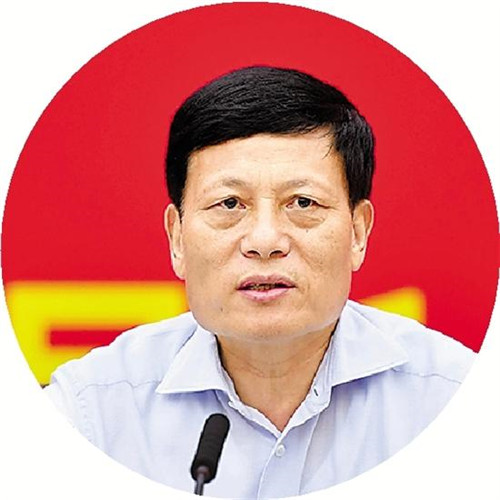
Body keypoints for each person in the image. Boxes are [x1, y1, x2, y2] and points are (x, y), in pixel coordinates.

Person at [44, 66, 474, 498]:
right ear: (177, 238)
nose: (265, 241)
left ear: (358, 233)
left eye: (302, 202)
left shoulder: (454, 401)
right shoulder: (91, 414)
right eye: (230, 204)